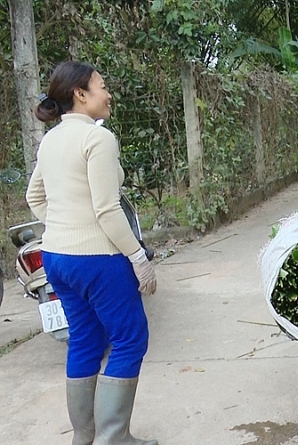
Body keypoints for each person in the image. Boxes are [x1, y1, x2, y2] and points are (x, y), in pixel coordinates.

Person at [26, 61, 158, 445]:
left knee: (85, 339)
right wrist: (138, 258)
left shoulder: (50, 140)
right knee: (131, 338)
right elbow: (106, 210)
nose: (108, 93)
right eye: (102, 86)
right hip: (98, 261)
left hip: (57, 258)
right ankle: (113, 439)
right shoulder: (98, 139)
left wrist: (66, 224)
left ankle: (85, 437)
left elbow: (34, 196)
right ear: (80, 95)